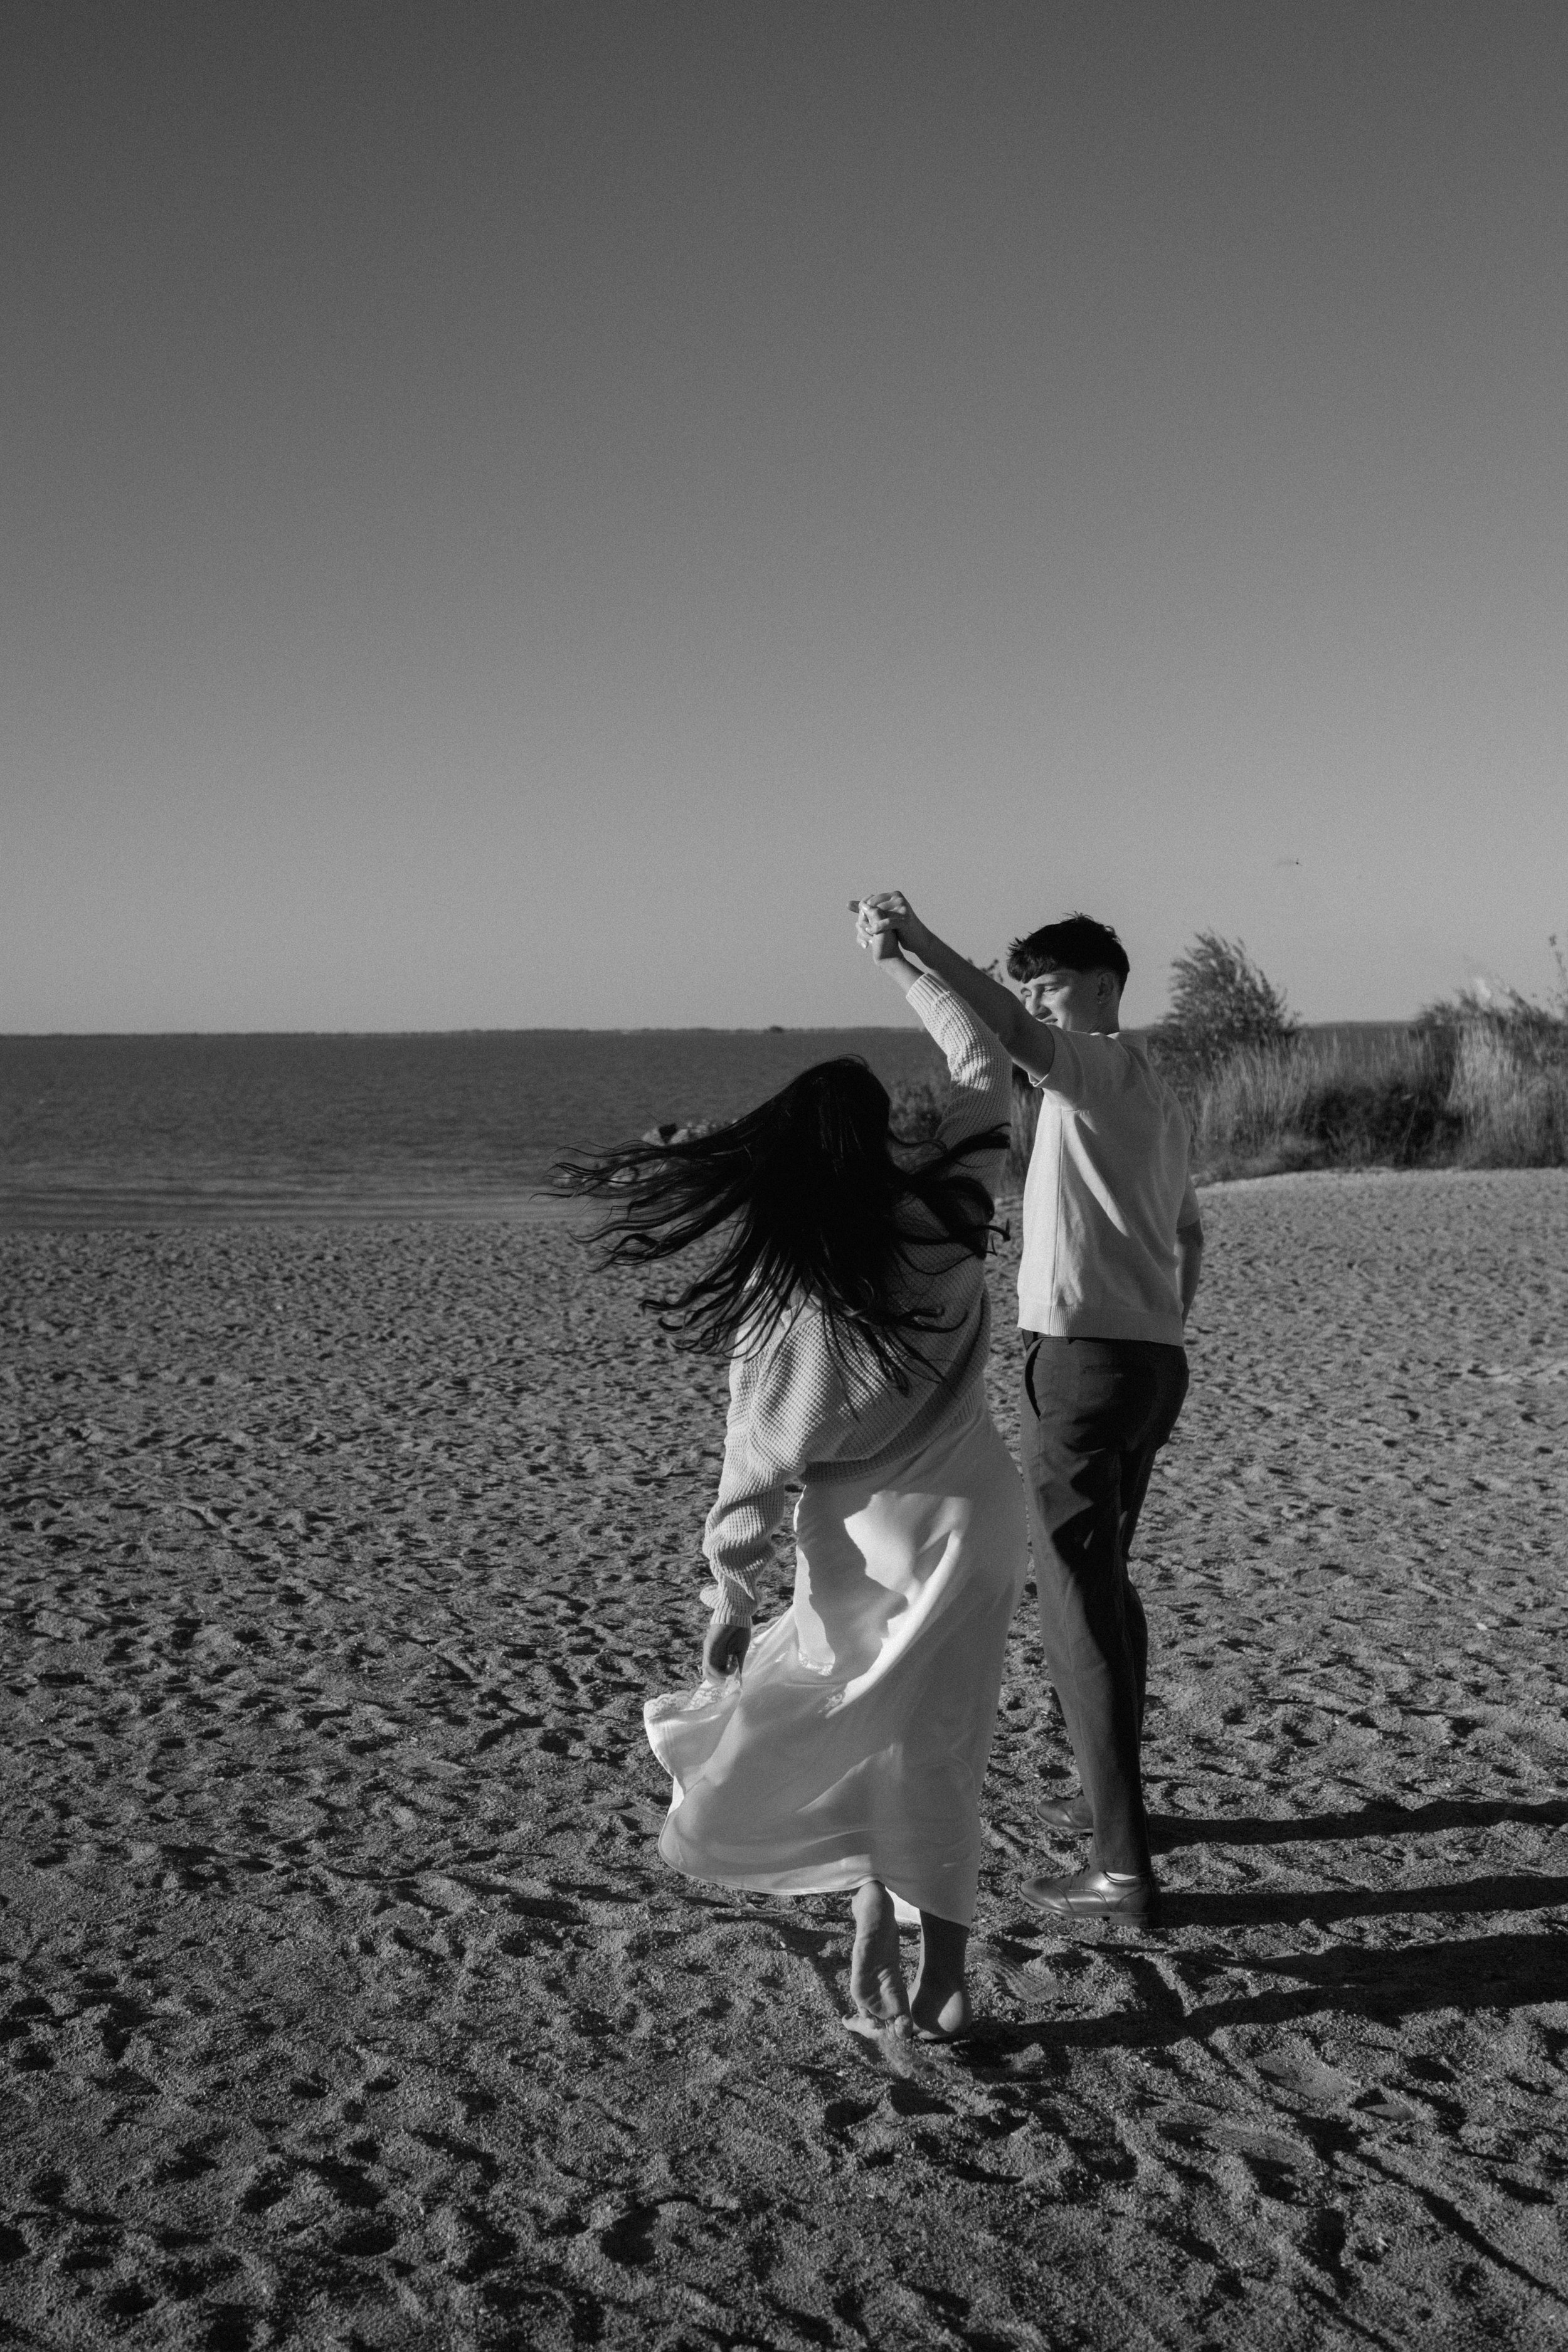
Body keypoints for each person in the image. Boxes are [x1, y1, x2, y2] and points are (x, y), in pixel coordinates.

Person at [559, 919, 1027, 2040]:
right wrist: (903, 957)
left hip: (854, 1532)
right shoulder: (955, 1204)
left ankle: (876, 1893)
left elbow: (756, 1465)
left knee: (854, 1712)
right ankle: (937, 1967)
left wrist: (728, 1593)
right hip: (973, 1509)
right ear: (880, 1140)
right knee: (941, 1732)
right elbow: (985, 1065)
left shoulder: (795, 1298)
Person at [856, 895, 1203, 1927]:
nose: (1036, 1004)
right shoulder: (1153, 1099)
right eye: (1033, 988)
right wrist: (899, 966)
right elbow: (1191, 1235)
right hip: (1147, 1360)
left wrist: (915, 935)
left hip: (1087, 1361)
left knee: (1075, 1603)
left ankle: (1123, 1872)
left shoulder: (1099, 1065)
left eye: (1051, 985)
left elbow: (1004, 1034)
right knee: (1104, 1584)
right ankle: (1125, 1816)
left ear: (1103, 987)